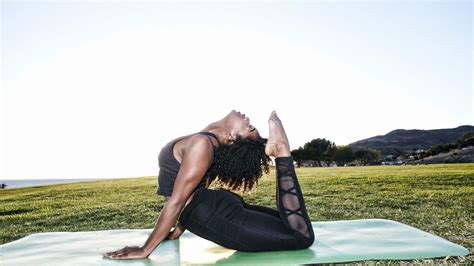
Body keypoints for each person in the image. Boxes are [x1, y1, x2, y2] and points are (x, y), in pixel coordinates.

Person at [104, 110, 314, 259]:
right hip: (214, 206)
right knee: (292, 227)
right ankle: (279, 153)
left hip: (212, 211)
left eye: (249, 127)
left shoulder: (201, 144)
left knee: (300, 236)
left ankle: (282, 154)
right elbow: (188, 193)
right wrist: (176, 232)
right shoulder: (205, 142)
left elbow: (177, 201)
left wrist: (145, 249)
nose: (247, 118)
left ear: (231, 137)